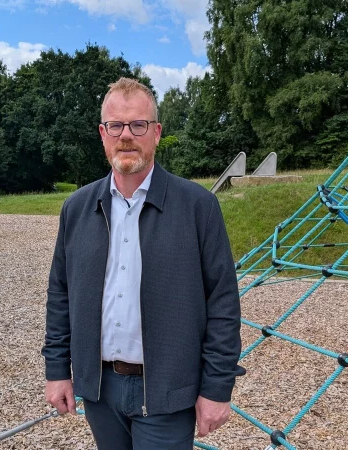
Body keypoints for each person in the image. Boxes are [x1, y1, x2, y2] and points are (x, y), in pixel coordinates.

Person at [42, 77, 244, 449]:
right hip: (99, 390)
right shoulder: (77, 208)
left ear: (156, 132)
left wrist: (217, 387)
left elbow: (223, 302)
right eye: (116, 126)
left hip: (167, 390)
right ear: (103, 133)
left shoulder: (198, 207)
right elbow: (60, 294)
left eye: (138, 125)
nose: (126, 136)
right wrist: (57, 370)